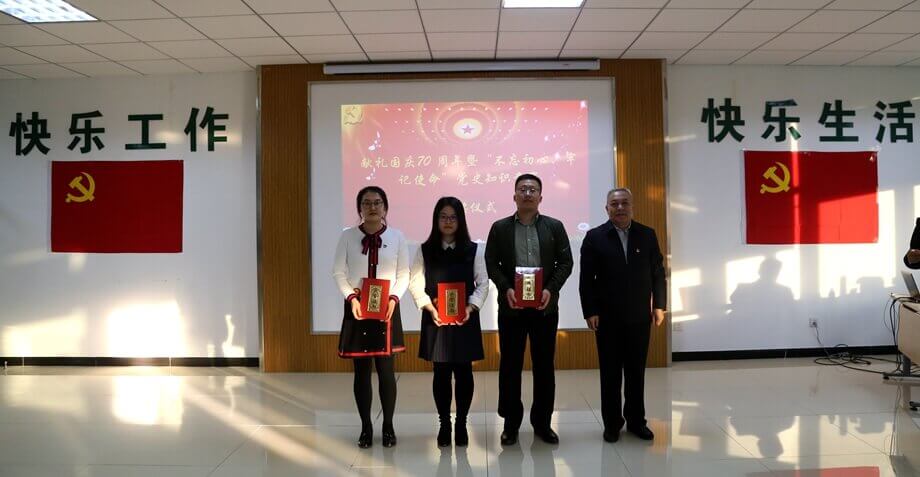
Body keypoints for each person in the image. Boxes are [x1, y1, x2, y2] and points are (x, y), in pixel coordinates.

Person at [484, 173, 573, 446]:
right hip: (511, 308)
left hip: (544, 308)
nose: (527, 193)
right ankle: (510, 424)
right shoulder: (500, 228)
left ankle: (542, 423)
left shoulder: (554, 227)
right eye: (522, 189)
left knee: (544, 366)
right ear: (514, 196)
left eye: (532, 189)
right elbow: (491, 263)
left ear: (540, 197)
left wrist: (550, 289)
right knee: (510, 366)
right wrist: (505, 288)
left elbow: (565, 263)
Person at [579, 187, 666, 443]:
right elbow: (587, 279)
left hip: (639, 316)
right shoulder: (595, 237)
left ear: (632, 206)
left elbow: (658, 272)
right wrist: (590, 310)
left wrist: (659, 305)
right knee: (610, 374)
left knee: (636, 372)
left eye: (624, 203)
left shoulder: (647, 235)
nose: (620, 208)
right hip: (607, 318)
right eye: (614, 204)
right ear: (606, 209)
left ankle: (637, 421)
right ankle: (612, 424)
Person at [332, 186, 409, 448]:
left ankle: (388, 426)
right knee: (361, 371)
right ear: (359, 208)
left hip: (387, 308)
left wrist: (394, 298)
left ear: (385, 207)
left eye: (377, 202)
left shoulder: (397, 237)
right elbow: (338, 272)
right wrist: (350, 298)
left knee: (386, 371)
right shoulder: (347, 236)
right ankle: (366, 427)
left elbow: (403, 274)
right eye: (366, 203)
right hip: (357, 308)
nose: (372, 207)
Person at [409, 197, 489, 448]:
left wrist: (471, 307)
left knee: (464, 372)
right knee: (441, 373)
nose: (448, 221)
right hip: (436, 318)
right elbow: (415, 282)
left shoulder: (474, 249)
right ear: (436, 220)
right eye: (443, 217)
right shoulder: (425, 250)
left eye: (453, 217)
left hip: (465, 317)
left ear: (460, 220)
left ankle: (461, 422)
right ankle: (444, 423)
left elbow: (483, 283)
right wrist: (428, 307)